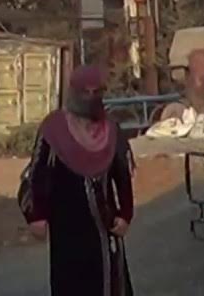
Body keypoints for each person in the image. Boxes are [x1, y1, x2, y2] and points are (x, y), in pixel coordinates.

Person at [21, 65, 135, 296]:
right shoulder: (54, 128)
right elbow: (37, 174)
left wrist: (125, 214)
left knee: (110, 284)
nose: (91, 98)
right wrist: (36, 215)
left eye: (96, 92)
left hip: (104, 226)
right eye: (85, 92)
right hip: (66, 229)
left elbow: (122, 174)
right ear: (73, 92)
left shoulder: (111, 130)